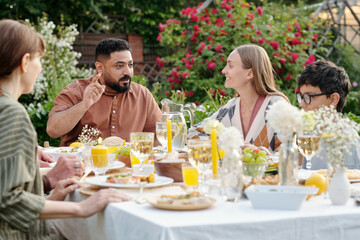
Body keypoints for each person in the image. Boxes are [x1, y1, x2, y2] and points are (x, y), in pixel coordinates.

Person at [0, 19, 130, 239]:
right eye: (39, 60)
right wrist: (81, 208)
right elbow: (8, 202)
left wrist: (47, 187)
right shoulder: (11, 113)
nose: (40, 68)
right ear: (25, 62)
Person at [46, 38, 162, 146]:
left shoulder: (143, 95)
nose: (128, 72)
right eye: (119, 66)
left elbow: (158, 140)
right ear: (100, 68)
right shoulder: (76, 92)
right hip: (82, 165)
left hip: (127, 166)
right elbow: (53, 130)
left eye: (130, 65)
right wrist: (84, 104)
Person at [188, 44, 289, 152]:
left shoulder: (278, 107)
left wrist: (261, 153)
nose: (223, 71)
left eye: (230, 66)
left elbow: (289, 153)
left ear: (249, 73)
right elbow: (192, 134)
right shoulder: (230, 108)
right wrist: (224, 143)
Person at [297, 60, 360, 169]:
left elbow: (353, 181)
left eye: (309, 97)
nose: (302, 104)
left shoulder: (347, 138)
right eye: (302, 97)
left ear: (333, 99)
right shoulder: (311, 136)